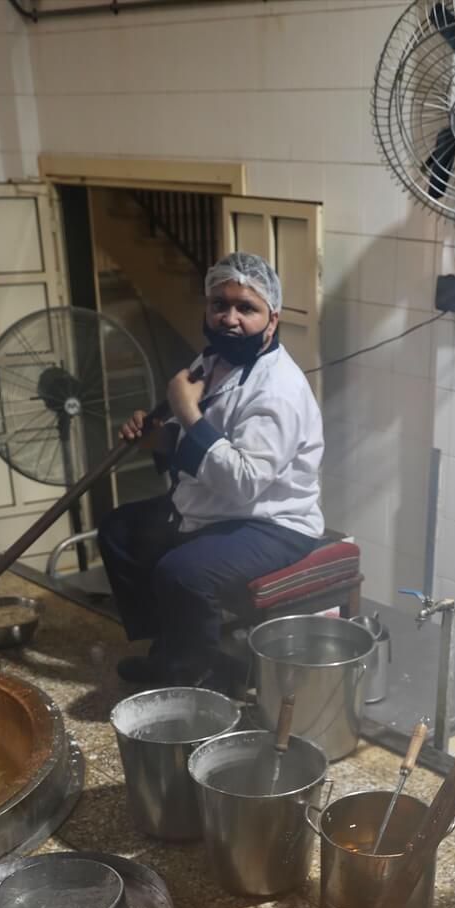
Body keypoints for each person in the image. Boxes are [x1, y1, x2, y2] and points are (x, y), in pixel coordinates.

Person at [98, 251, 324, 685]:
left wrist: (187, 414)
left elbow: (244, 483)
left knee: (182, 573)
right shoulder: (213, 362)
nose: (229, 318)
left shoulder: (278, 390)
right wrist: (159, 438)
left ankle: (191, 680)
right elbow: (201, 445)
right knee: (119, 533)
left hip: (273, 522)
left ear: (272, 319)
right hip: (216, 505)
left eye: (247, 308)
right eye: (219, 304)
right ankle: (168, 647)